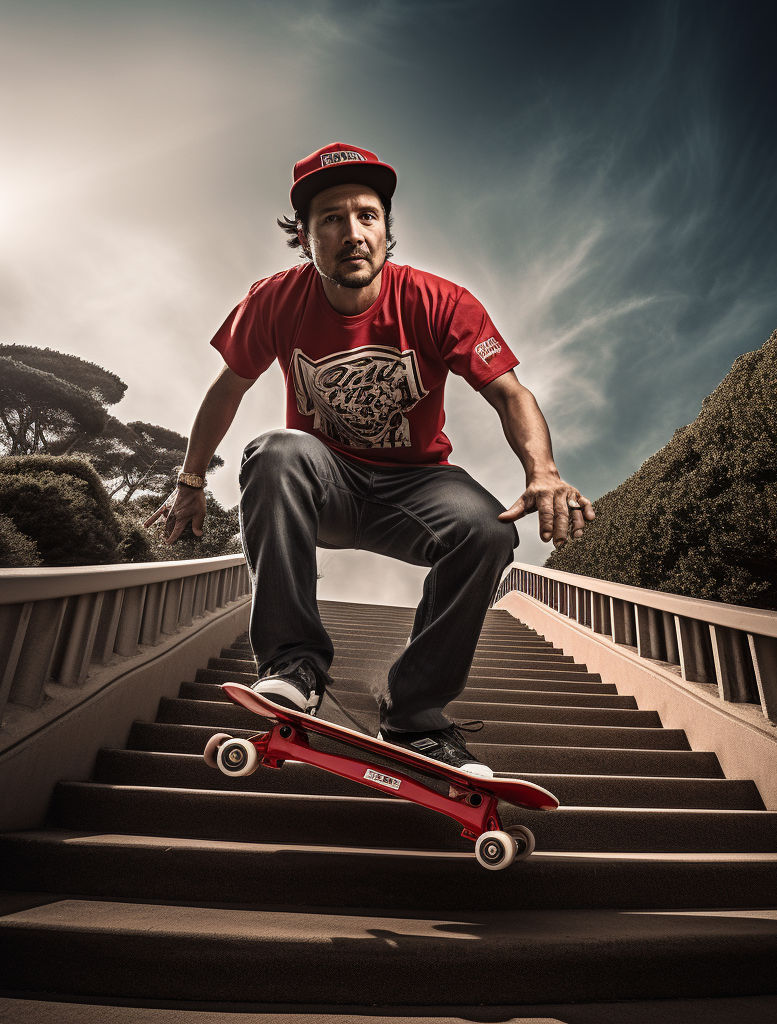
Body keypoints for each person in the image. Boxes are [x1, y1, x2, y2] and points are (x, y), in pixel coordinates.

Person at [146, 142, 594, 779]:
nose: (351, 233)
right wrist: (190, 482)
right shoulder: (274, 300)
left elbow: (509, 391)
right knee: (275, 452)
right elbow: (227, 388)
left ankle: (414, 715)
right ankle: (293, 666)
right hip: (323, 481)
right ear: (305, 237)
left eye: (366, 216)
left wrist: (542, 472)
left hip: (416, 486)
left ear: (386, 229)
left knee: (488, 529)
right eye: (331, 218)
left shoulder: (441, 302)